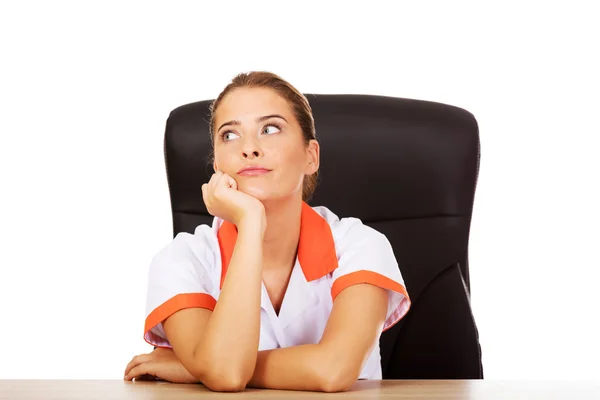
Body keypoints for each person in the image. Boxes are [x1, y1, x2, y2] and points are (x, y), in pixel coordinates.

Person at [123, 71, 411, 392]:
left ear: (310, 156)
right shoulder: (180, 260)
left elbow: (333, 370)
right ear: (218, 165)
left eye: (270, 129)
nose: (249, 148)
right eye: (230, 135)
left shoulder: (361, 244)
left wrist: (199, 365)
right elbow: (227, 374)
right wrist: (249, 222)